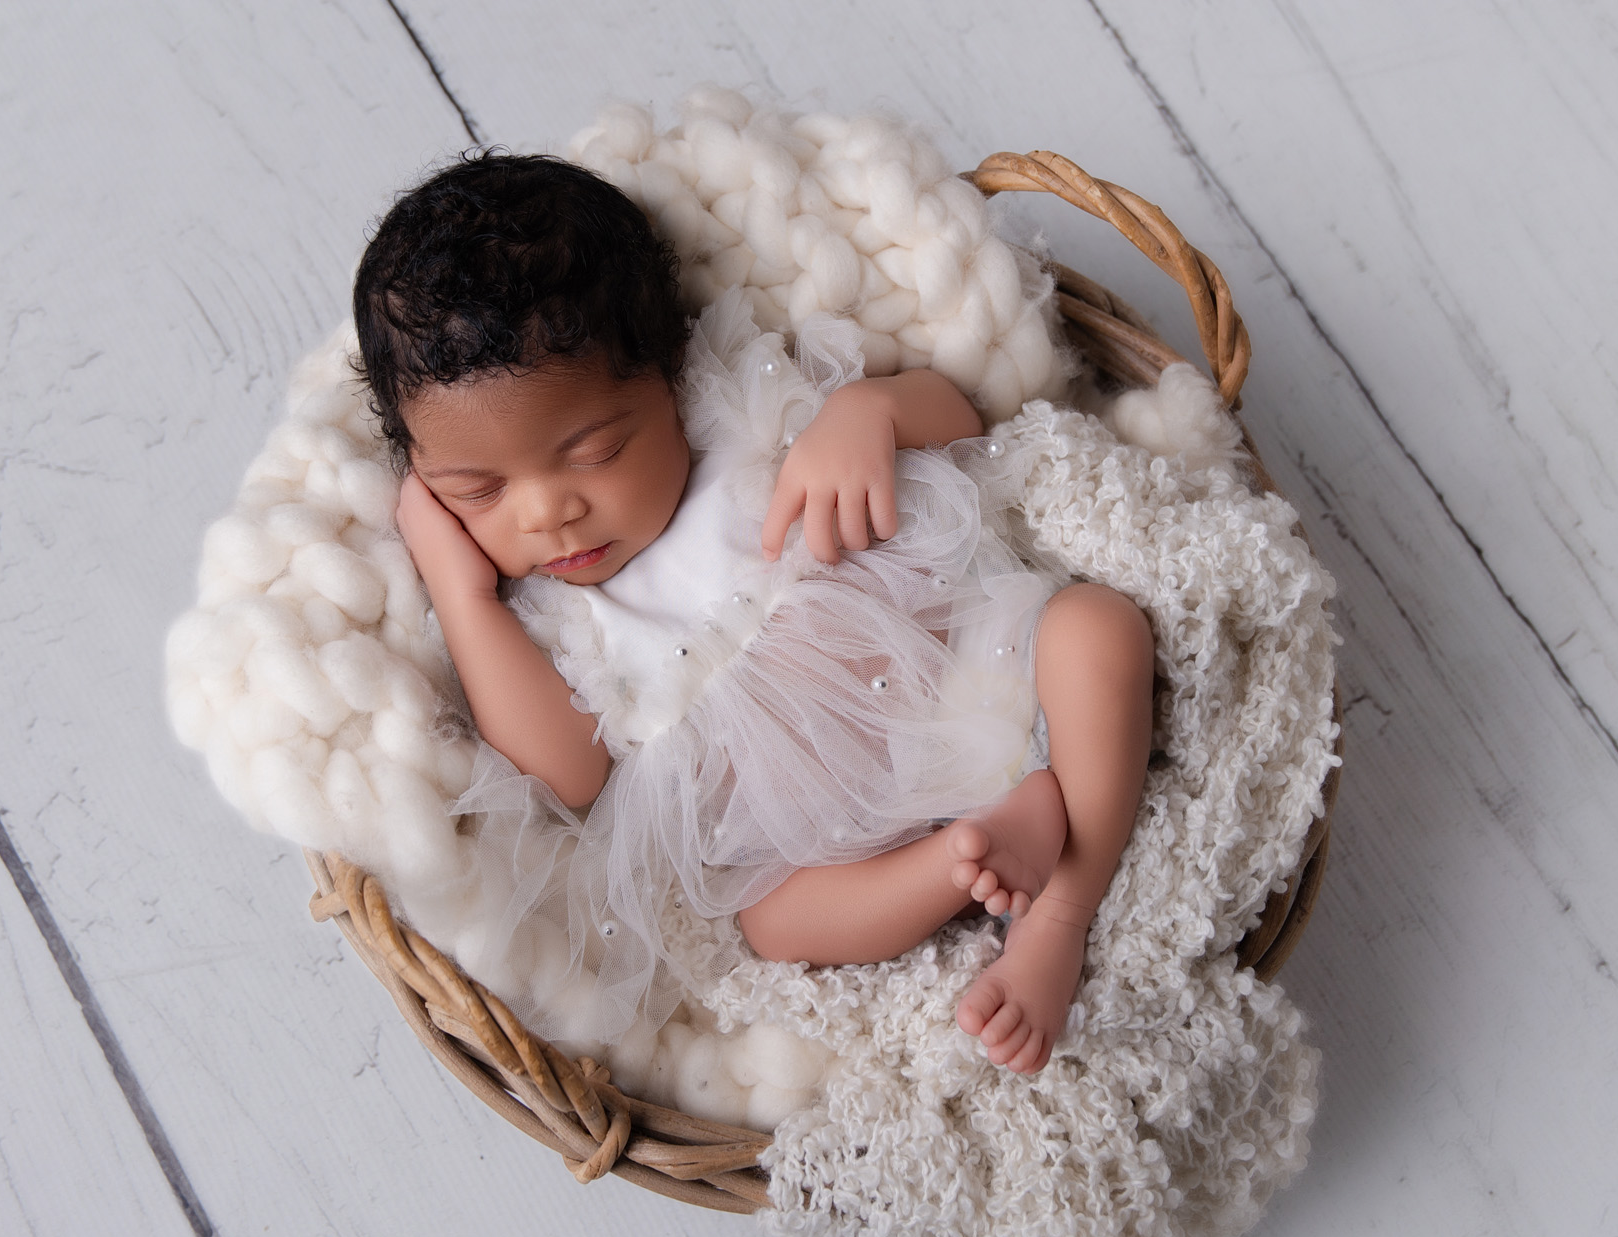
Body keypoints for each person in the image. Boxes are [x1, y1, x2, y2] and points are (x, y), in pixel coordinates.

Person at [354, 153, 1153, 1075]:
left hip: (979, 679)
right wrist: (462, 594)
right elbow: (564, 775)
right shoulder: (551, 616)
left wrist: (870, 414)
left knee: (1097, 629)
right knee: (771, 920)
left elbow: (958, 418)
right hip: (828, 838)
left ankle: (1058, 916)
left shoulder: (740, 417)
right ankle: (956, 864)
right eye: (477, 490)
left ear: (665, 376)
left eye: (593, 450)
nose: (544, 513)